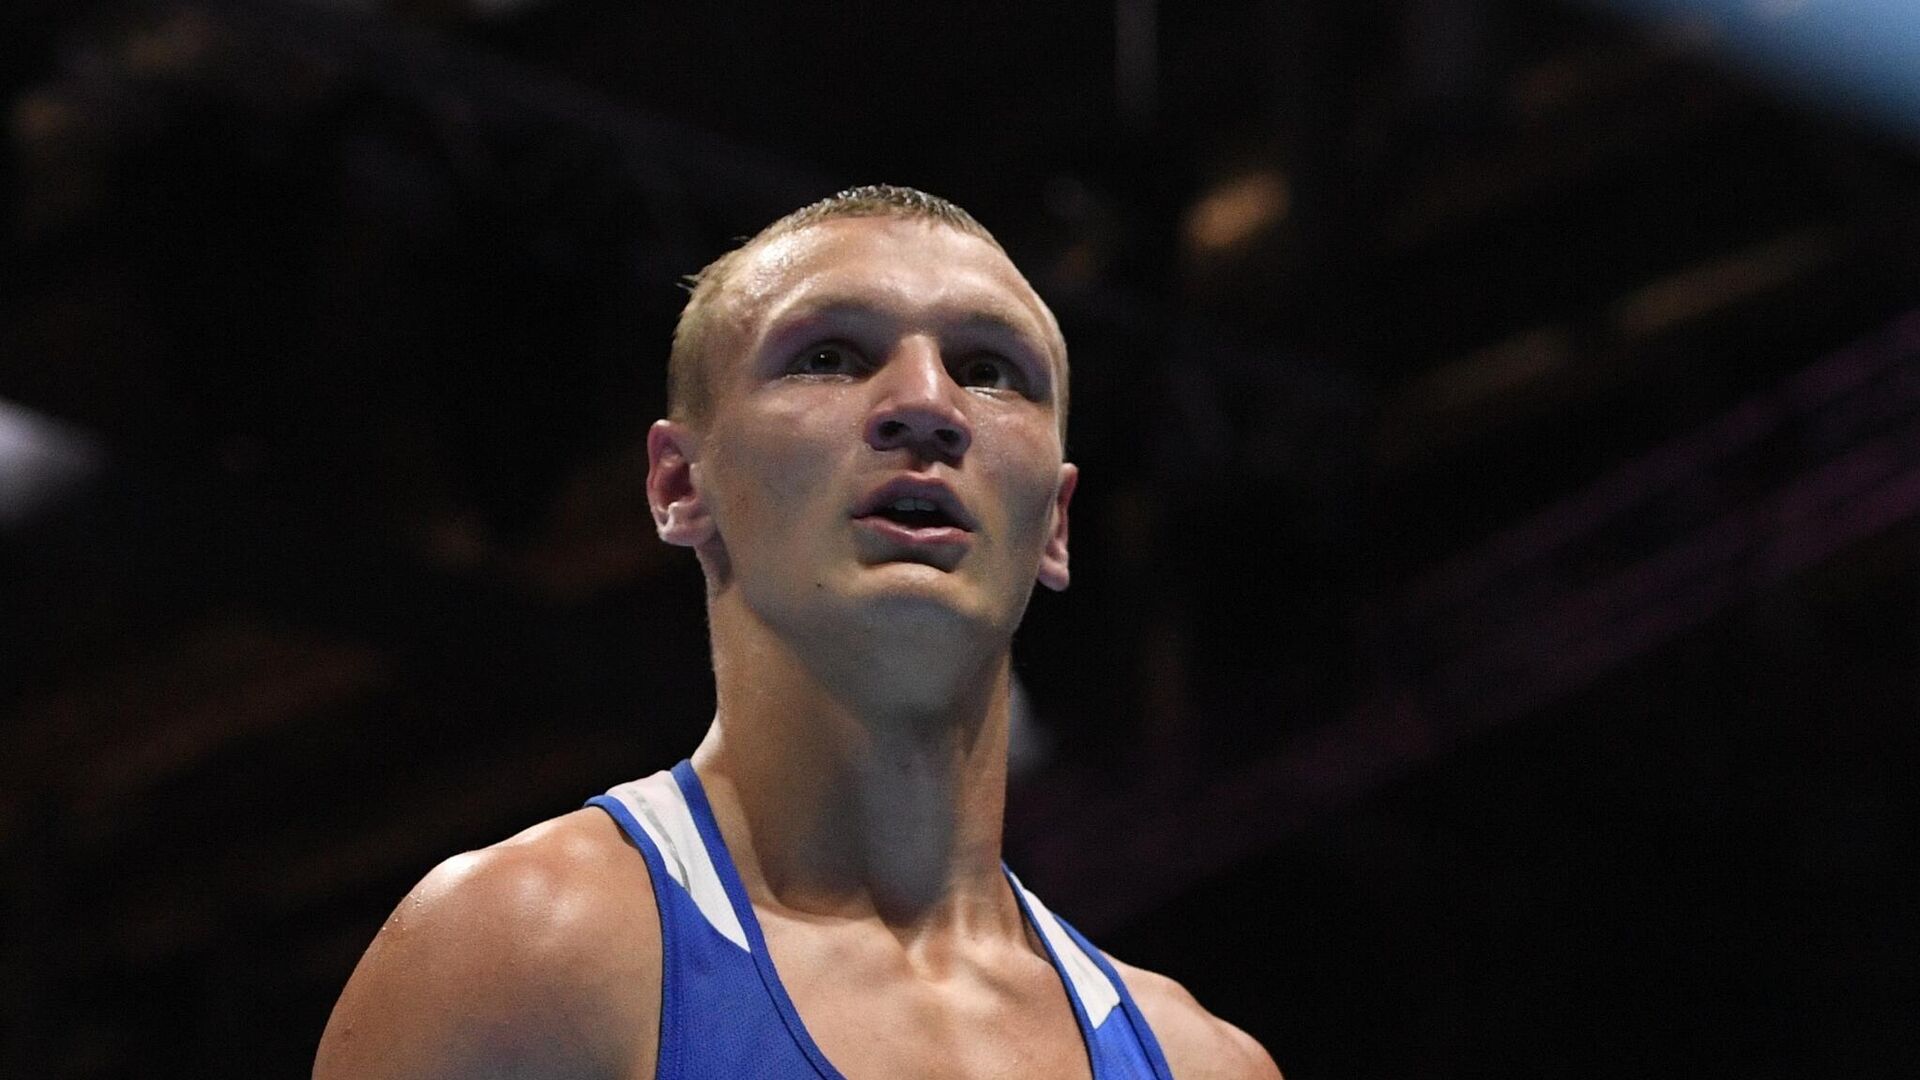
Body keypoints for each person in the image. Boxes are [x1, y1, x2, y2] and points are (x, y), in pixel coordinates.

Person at [313, 185, 1282, 1080]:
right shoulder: (520, 957)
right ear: (679, 484)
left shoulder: (1206, 1065)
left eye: (988, 372)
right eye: (829, 356)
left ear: (1057, 524)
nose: (928, 406)